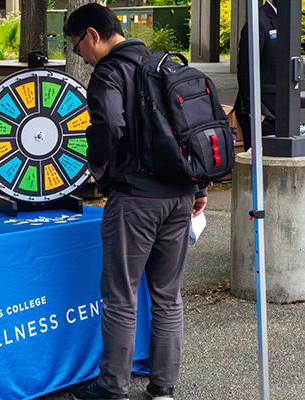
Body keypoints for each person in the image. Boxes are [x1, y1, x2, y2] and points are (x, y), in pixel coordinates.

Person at [62, 4, 207, 400]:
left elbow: (108, 123)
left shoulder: (109, 73)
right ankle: (163, 387)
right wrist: (199, 188)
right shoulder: (164, 65)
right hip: (180, 196)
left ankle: (112, 387)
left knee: (121, 297)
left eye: (78, 48)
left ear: (92, 34)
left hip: (135, 200)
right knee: (167, 296)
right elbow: (190, 127)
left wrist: (99, 169)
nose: (83, 57)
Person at [234, 0, 278, 151]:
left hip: (280, 110)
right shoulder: (259, 21)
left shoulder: (286, 21)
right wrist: (255, 109)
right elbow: (246, 68)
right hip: (263, 112)